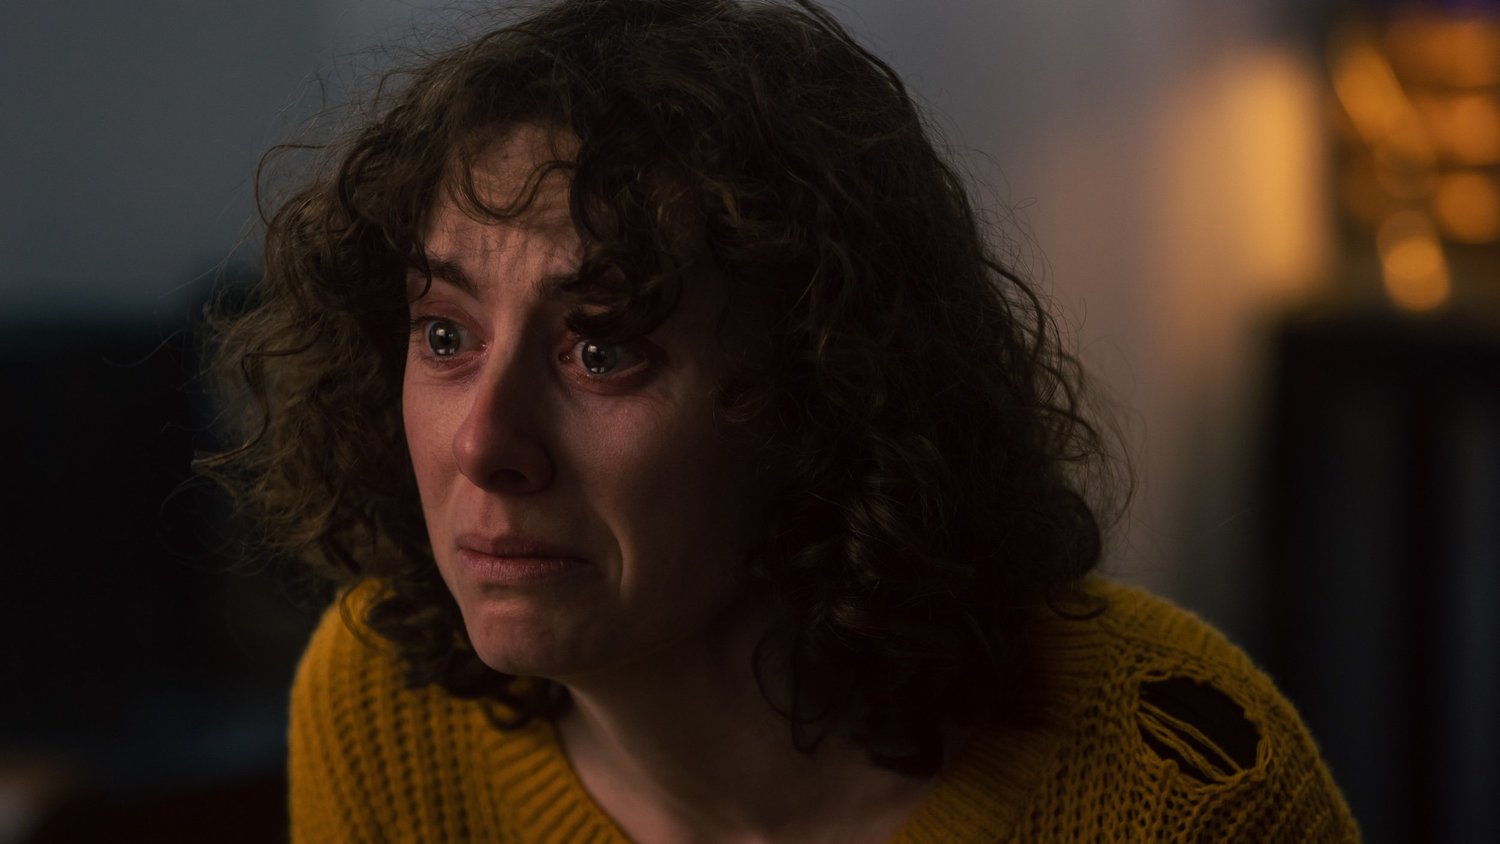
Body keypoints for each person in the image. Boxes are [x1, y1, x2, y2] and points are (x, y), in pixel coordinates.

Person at [204, 0, 1358, 840]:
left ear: (824, 395)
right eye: (446, 336)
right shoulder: (385, 705)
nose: (482, 443)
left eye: (603, 349)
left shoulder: (1174, 787)